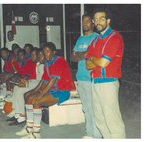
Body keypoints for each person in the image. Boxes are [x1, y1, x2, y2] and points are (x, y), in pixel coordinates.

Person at [16, 42, 76, 139]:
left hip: (62, 92)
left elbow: (52, 81)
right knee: (28, 96)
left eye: (48, 51)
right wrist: (34, 91)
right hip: (52, 91)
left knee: (37, 101)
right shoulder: (48, 62)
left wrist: (40, 95)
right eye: (44, 52)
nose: (46, 54)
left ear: (53, 52)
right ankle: (29, 126)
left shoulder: (59, 61)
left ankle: (36, 132)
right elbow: (43, 80)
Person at [85, 8, 126, 138]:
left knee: (112, 121)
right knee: (100, 121)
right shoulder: (95, 40)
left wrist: (93, 59)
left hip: (108, 83)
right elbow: (87, 64)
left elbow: (103, 63)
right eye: (95, 19)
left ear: (108, 20)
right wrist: (95, 60)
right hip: (95, 83)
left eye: (101, 18)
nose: (98, 22)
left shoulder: (115, 37)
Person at [70, 14, 102, 138]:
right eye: (83, 21)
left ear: (93, 23)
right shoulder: (80, 39)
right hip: (81, 78)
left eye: (88, 21)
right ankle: (90, 133)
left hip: (92, 78)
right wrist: (86, 53)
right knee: (86, 108)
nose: (85, 23)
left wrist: (80, 54)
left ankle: (97, 135)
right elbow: (72, 57)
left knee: (94, 108)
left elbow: (94, 54)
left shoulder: (97, 38)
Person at [7, 48, 45, 126]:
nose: (31, 57)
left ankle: (22, 117)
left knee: (19, 91)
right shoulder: (37, 64)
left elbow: (42, 80)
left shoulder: (42, 65)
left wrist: (27, 83)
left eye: (34, 55)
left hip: (40, 84)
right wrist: (25, 81)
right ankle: (17, 113)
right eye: (31, 55)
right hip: (35, 82)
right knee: (16, 88)